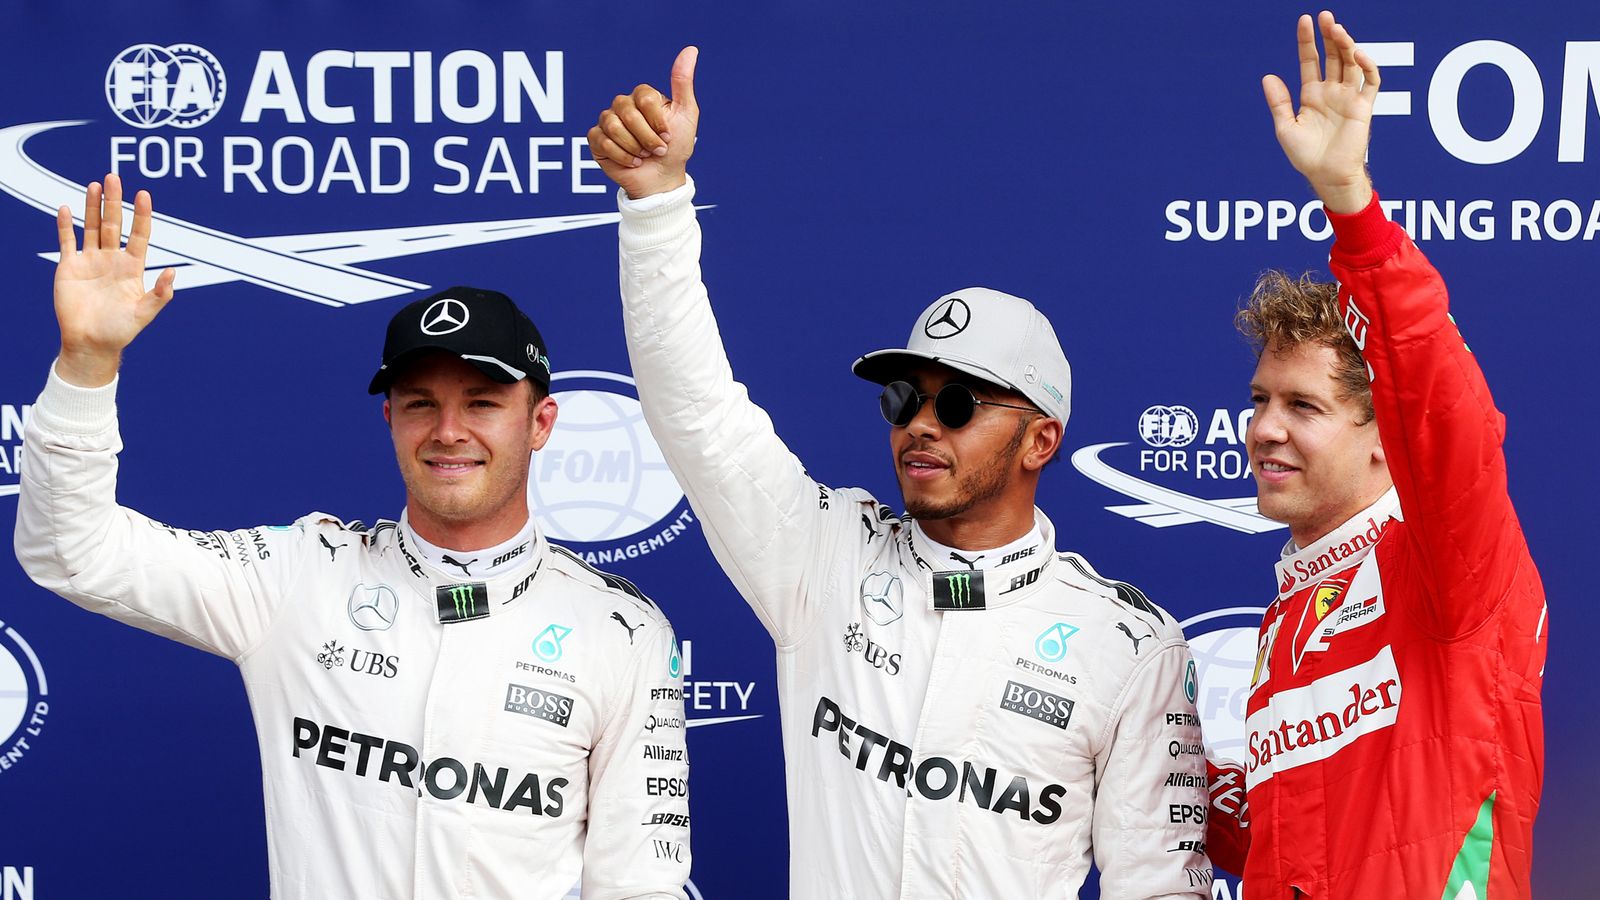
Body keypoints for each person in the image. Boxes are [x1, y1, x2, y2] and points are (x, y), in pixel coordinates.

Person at [588, 49, 1212, 899]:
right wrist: (658, 203)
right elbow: (696, 411)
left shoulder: (1130, 646)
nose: (921, 422)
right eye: (904, 398)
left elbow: (1161, 887)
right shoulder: (823, 558)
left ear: (1040, 441)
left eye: (958, 404)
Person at [13, 174, 691, 900]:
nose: (449, 431)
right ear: (390, 420)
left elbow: (640, 888)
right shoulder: (301, 575)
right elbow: (73, 551)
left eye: (483, 403)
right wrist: (87, 366)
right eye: (420, 403)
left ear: (541, 423)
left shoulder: (622, 632)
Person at [1202, 12, 1547, 898]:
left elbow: (1440, 408)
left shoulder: (1448, 567)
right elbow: (1295, 847)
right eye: (1260, 401)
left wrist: (1351, 208)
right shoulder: (1291, 615)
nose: (1264, 429)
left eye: (1303, 407)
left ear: (1386, 439)